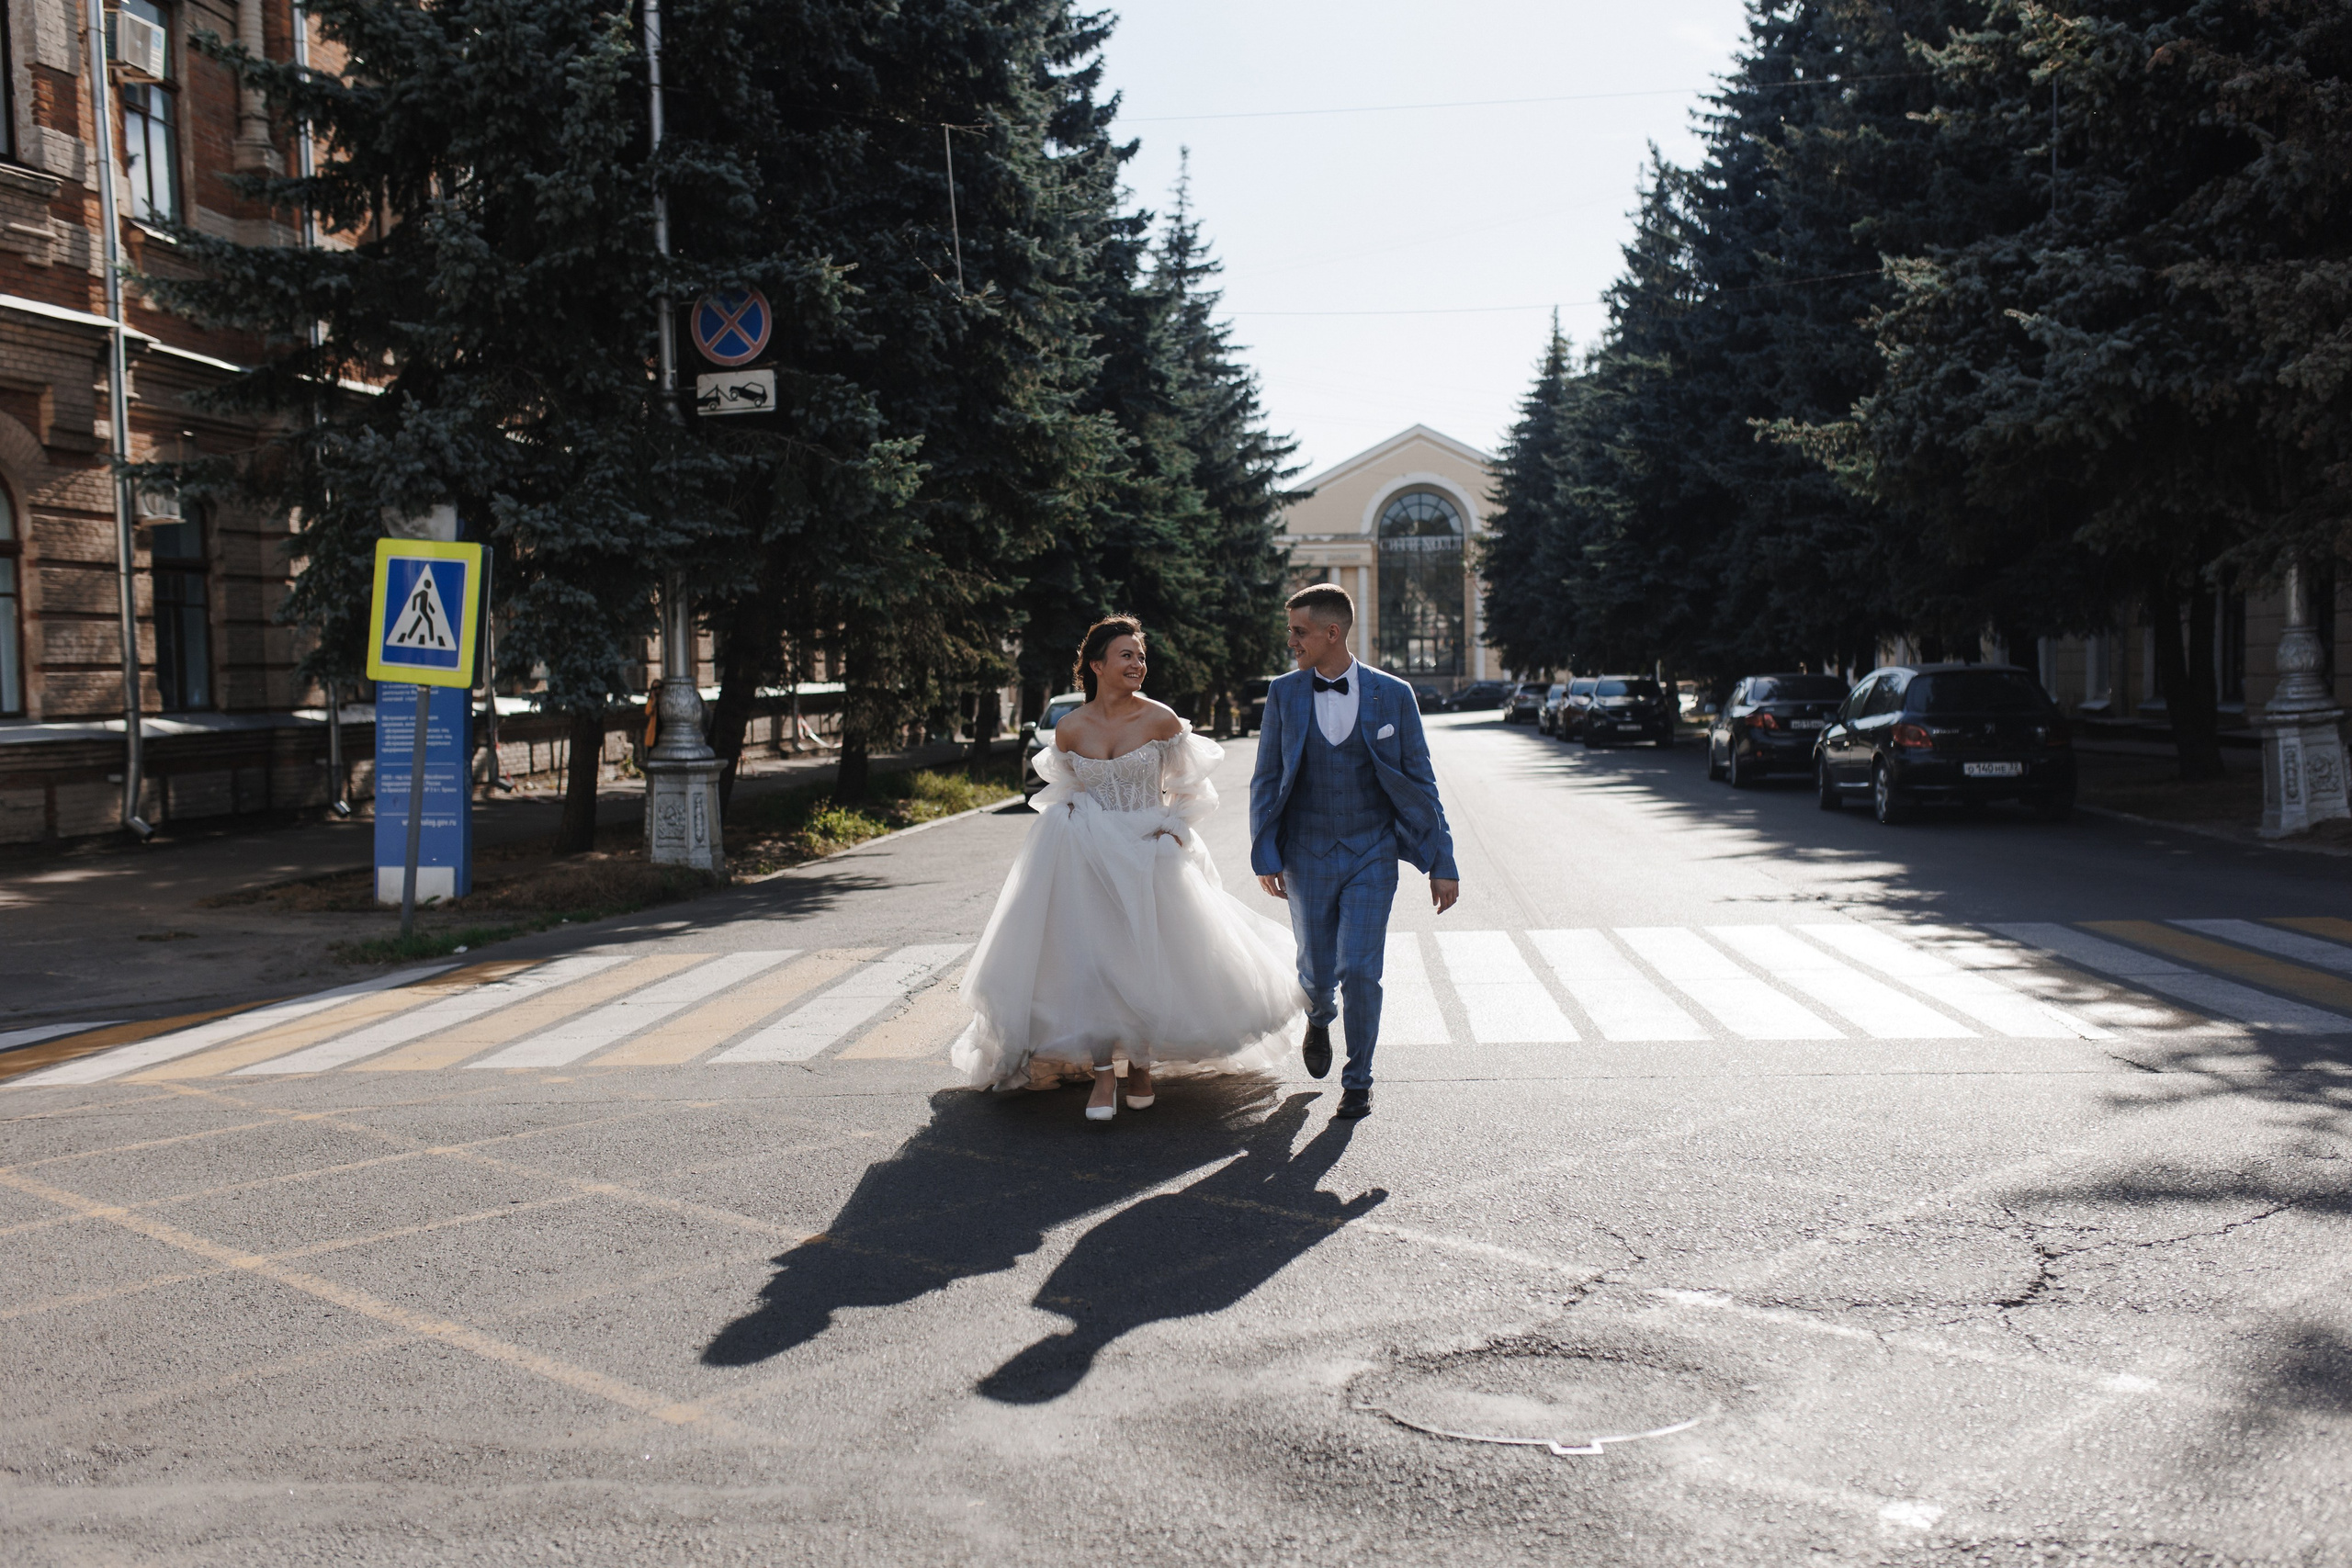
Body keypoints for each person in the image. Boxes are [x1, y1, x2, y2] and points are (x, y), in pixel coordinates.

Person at [952, 615, 1306, 1121]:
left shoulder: (1161, 720)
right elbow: (1064, 790)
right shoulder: (1070, 728)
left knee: (1146, 959)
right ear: (1097, 665)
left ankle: (1139, 1063)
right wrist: (1071, 818)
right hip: (1086, 855)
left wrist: (1173, 830)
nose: (1138, 664)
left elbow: (1193, 791)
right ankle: (1102, 1073)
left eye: (1141, 656)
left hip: (1148, 852)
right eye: (1126, 655)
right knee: (1093, 959)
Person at [1249, 583, 1460, 1120]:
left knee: (1362, 968)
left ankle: (1359, 1079)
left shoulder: (1394, 694)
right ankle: (1320, 1016)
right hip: (1306, 852)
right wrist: (1265, 850)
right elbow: (1266, 778)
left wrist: (1443, 861)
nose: (1291, 640)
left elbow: (1422, 778)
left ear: (1331, 633)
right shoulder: (1283, 694)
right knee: (1318, 973)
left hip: (1372, 850)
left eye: (1299, 631)